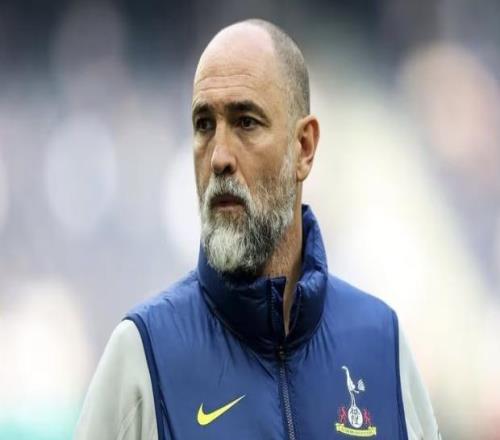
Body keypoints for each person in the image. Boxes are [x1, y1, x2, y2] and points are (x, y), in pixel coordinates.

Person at [74, 19, 441, 440]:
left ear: (304, 147)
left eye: (246, 122)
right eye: (204, 125)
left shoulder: (382, 346)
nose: (219, 157)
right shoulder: (142, 354)